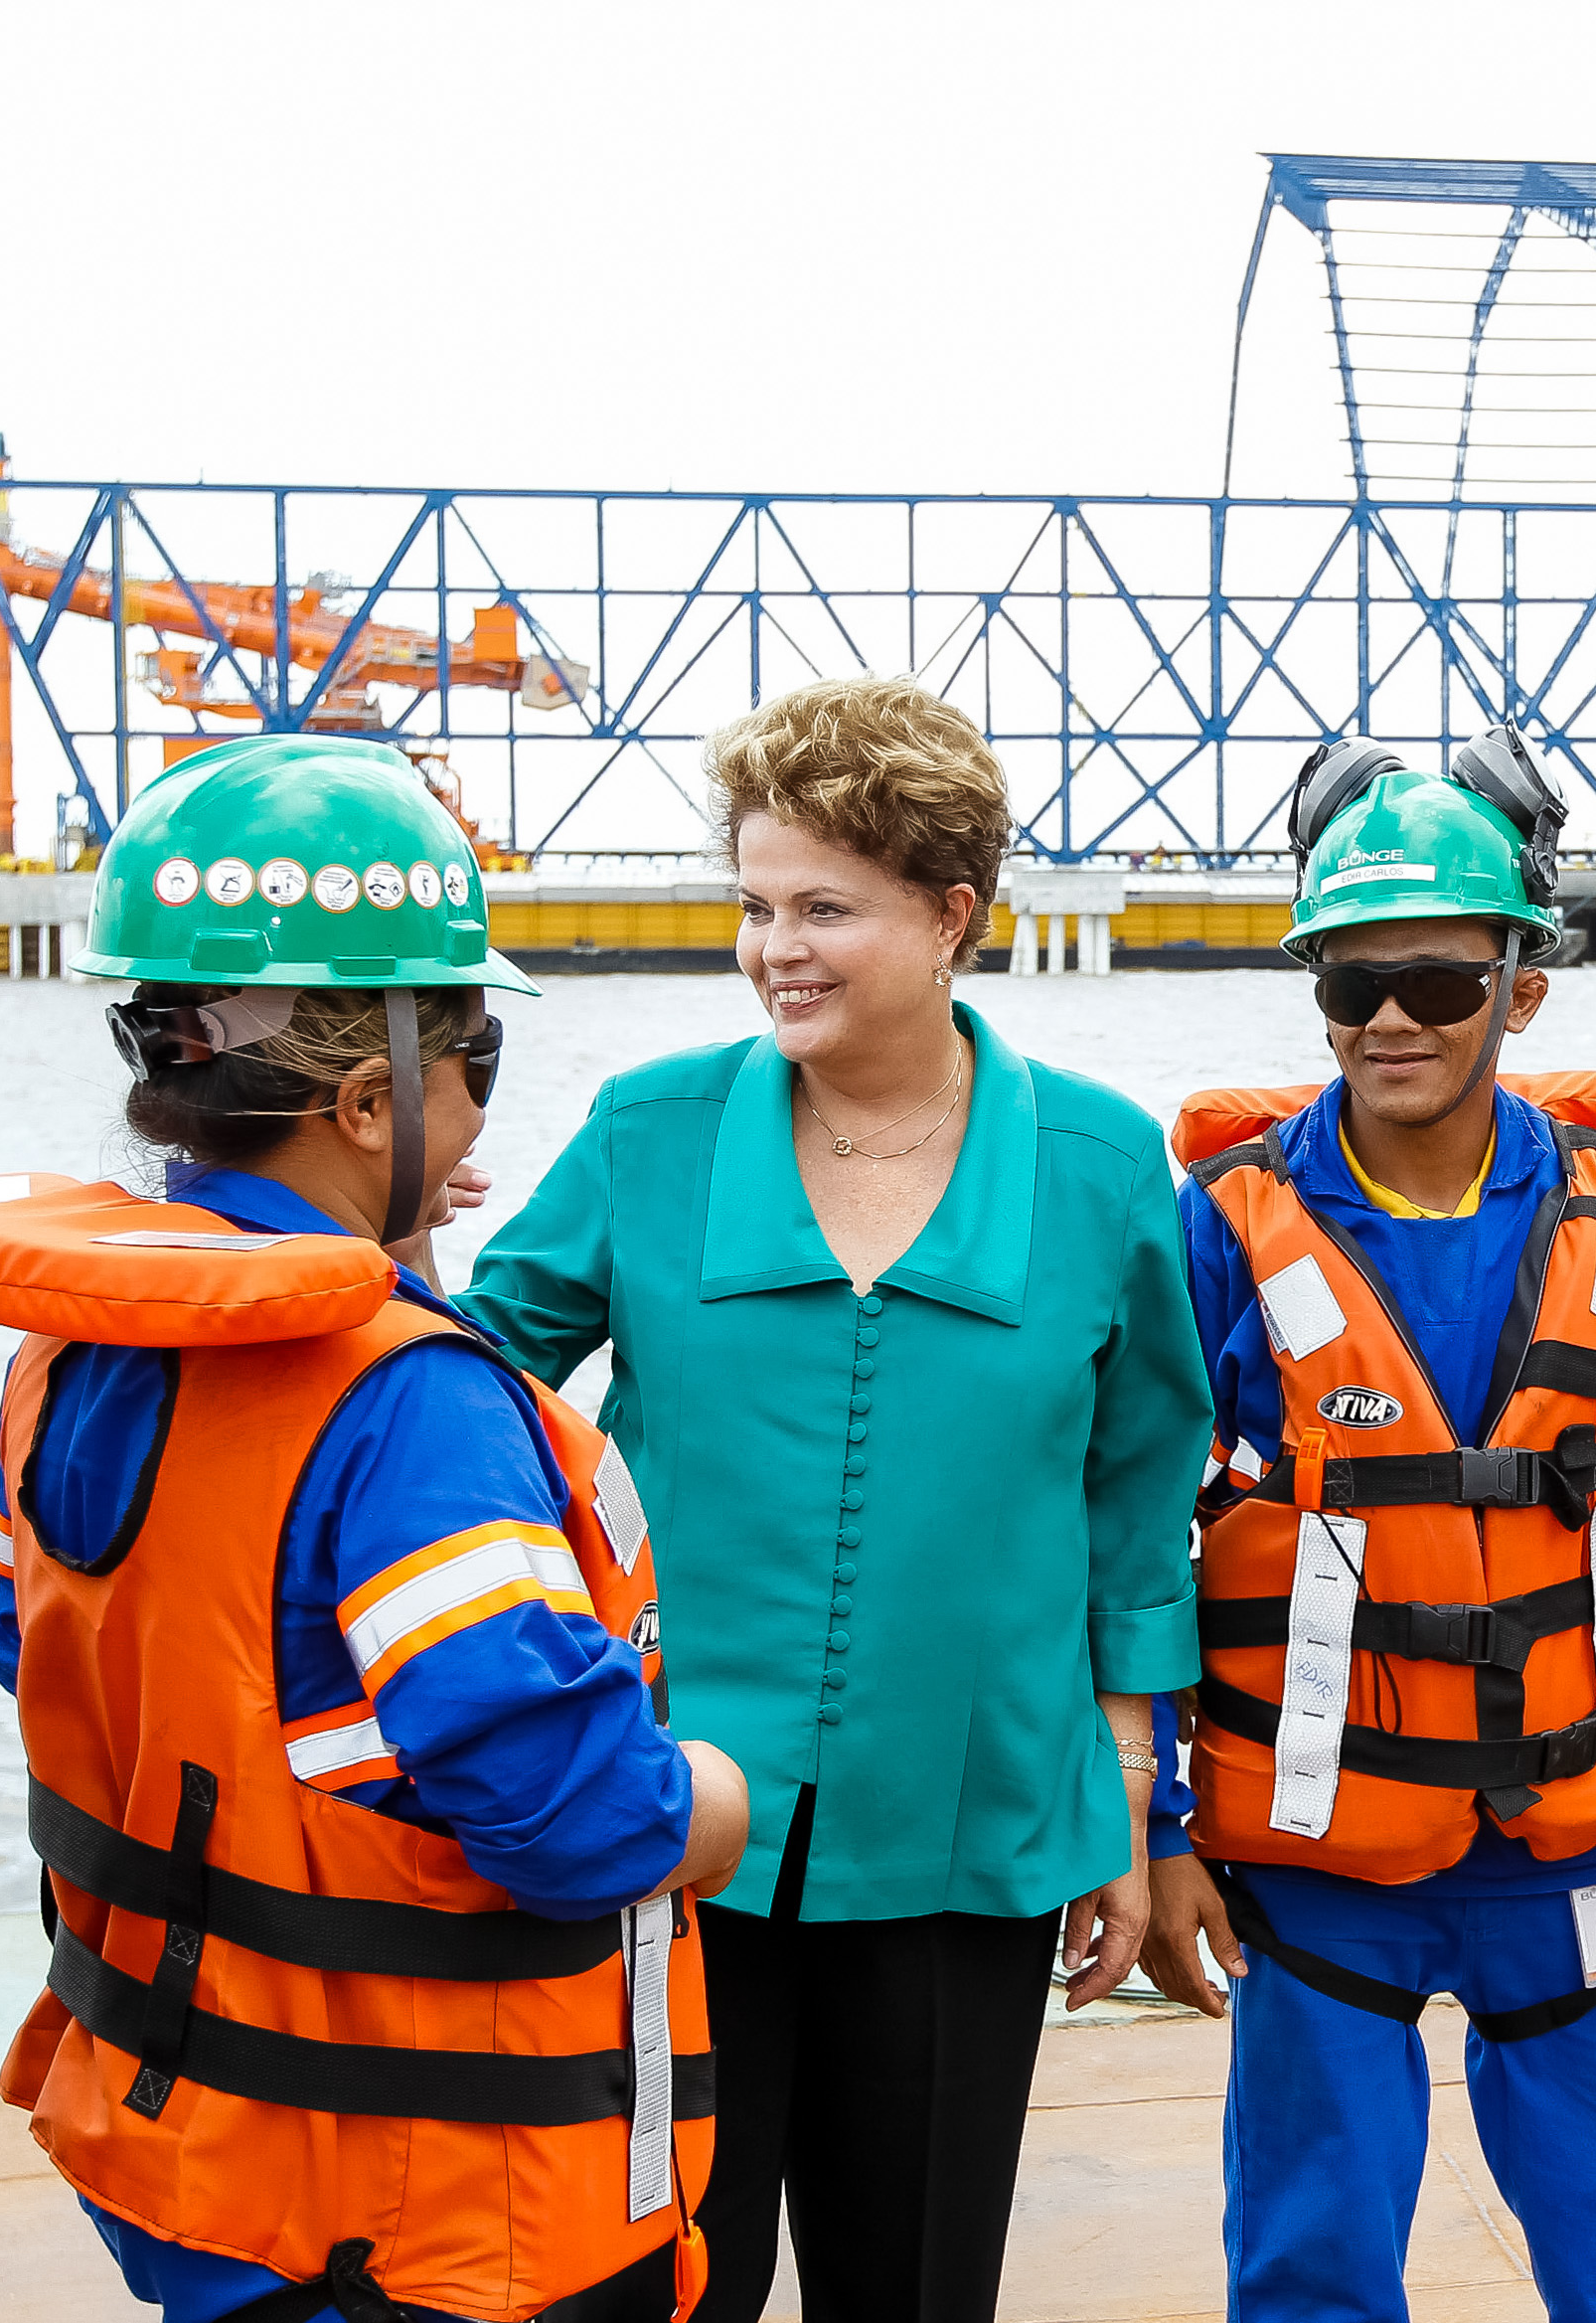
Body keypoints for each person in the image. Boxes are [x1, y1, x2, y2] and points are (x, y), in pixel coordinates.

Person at [0, 733, 744, 2322]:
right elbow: (567, 1813)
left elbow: (45, 1654)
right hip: (429, 2211)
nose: (480, 1097)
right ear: (375, 1098)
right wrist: (705, 1799)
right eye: (477, 1057)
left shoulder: (76, 1347)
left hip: (206, 2163)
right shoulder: (412, 1406)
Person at [451, 677, 1211, 2323]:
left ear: (951, 916)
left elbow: (1143, 1491)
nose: (774, 946)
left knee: (920, 2288)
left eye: (824, 907)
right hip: (667, 1831)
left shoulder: (1095, 1161)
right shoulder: (644, 1131)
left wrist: (1130, 1800)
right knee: (657, 2288)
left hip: (975, 1834)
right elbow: (469, 1387)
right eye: (754, 903)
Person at [1138, 730, 1596, 2323]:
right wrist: (1151, 1822)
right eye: (1349, 981)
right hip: (1317, 1859)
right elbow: (1127, 1540)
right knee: (1309, 2265)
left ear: (1521, 986)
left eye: (1441, 983)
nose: (1390, 1017)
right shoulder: (1224, 1224)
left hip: (1577, 1848)